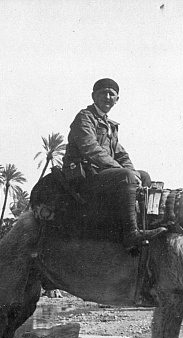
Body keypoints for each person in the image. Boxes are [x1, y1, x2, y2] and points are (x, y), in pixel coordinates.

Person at [62, 78, 166, 250]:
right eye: (103, 93)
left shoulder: (110, 125)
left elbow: (120, 153)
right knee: (126, 176)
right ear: (93, 96)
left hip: (103, 176)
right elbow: (90, 148)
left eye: (112, 94)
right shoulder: (85, 118)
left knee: (144, 175)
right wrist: (123, 171)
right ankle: (131, 234)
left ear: (117, 99)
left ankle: (144, 223)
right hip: (86, 178)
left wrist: (133, 172)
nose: (108, 97)